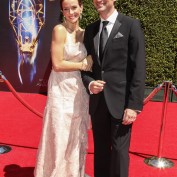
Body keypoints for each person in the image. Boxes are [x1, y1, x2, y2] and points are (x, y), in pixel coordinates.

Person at [81, 0, 146, 177]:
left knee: (119, 152)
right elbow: (86, 67)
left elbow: (138, 68)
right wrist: (89, 83)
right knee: (101, 151)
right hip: (98, 102)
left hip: (121, 103)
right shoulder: (91, 29)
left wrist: (133, 105)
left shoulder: (131, 25)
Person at [34, 0, 92, 176]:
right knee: (60, 132)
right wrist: (83, 64)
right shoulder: (59, 30)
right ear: (62, 11)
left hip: (79, 90)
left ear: (81, 8)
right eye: (66, 9)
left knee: (76, 133)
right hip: (60, 88)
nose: (70, 12)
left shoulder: (85, 33)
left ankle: (74, 172)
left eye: (74, 7)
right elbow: (57, 64)